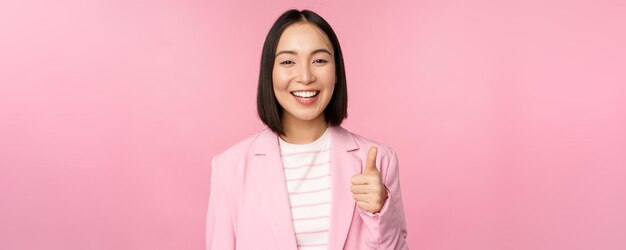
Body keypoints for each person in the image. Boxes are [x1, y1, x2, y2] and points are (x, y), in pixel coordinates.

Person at [206, 9, 408, 250]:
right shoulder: (230, 167)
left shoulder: (378, 160)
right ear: (269, 73)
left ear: (336, 73)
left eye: (320, 60)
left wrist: (380, 211)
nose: (305, 76)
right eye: (288, 61)